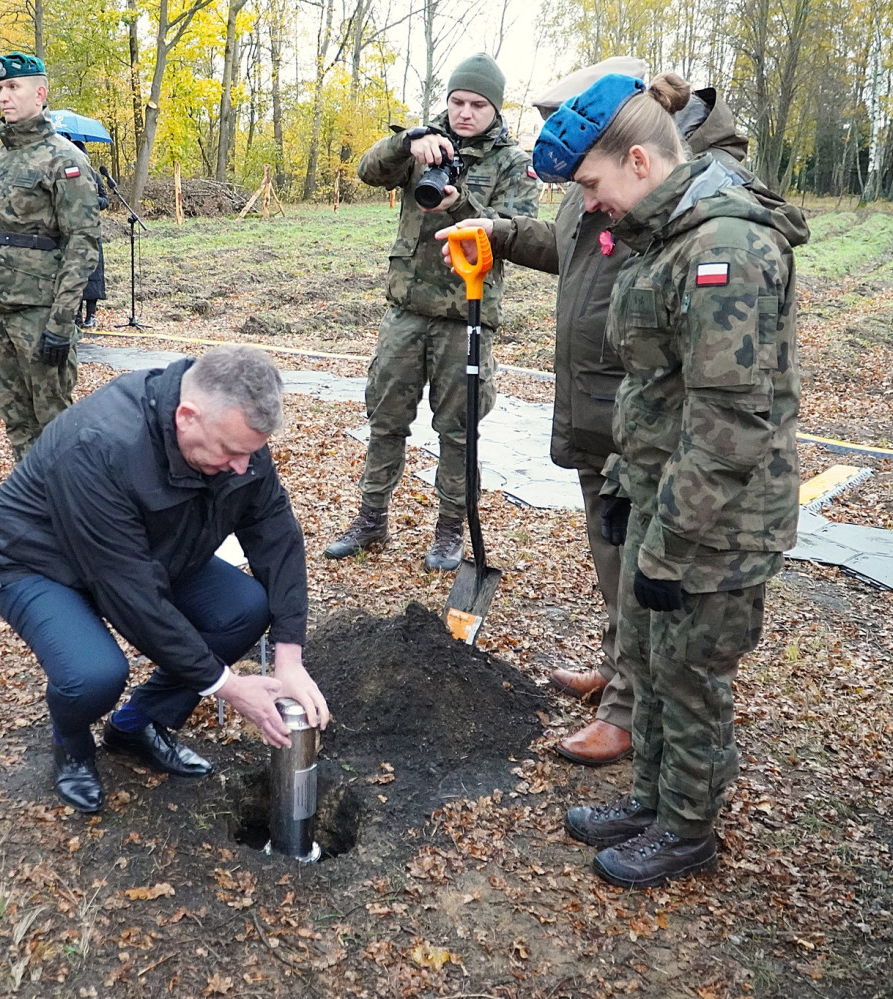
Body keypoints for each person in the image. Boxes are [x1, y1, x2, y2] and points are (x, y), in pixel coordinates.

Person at [436, 58, 772, 767]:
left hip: (642, 414)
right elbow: (575, 250)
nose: (579, 178)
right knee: (611, 552)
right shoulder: (615, 181)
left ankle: (628, 708)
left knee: (638, 565)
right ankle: (620, 669)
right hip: (598, 404)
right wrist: (500, 232)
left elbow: (726, 391)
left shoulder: (691, 192)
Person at [528, 72, 805, 887]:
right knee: (649, 662)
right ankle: (650, 799)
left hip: (718, 520)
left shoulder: (726, 249)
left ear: (640, 161)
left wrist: (669, 543)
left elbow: (730, 422)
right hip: (662, 498)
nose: (589, 203)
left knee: (688, 675)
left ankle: (687, 829)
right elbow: (655, 388)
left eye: (592, 184)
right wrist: (623, 480)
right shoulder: (666, 235)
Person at [0, 346, 330, 813]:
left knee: (244, 609)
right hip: (37, 562)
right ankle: (71, 743)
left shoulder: (234, 438)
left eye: (251, 452)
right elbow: (132, 596)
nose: (243, 467)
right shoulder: (100, 445)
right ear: (187, 417)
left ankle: (137, 724)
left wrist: (289, 656)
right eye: (231, 451)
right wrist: (224, 685)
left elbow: (277, 537)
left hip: (148, 551)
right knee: (94, 675)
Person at [325, 53, 539, 571]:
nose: (465, 112)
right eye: (457, 101)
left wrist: (459, 205)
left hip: (467, 314)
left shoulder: (513, 162)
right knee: (385, 419)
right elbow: (368, 171)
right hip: (406, 309)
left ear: (495, 108)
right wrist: (406, 141)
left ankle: (449, 531)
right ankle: (371, 518)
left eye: (478, 105)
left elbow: (520, 232)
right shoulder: (425, 144)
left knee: (459, 431)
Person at [0, 53, 101, 463]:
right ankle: (30, 490)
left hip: (39, 312)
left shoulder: (65, 160)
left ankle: (67, 493)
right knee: (15, 417)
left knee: (53, 418)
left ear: (39, 94)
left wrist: (61, 321)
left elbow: (82, 244)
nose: (3, 96)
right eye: (0, 89)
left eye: (13, 87)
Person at [72, 139, 110, 329]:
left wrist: (93, 200)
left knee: (94, 274)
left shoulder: (95, 176)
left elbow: (105, 200)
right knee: (74, 274)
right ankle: (76, 315)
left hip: (92, 231)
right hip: (72, 231)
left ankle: (91, 314)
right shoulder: (68, 176)